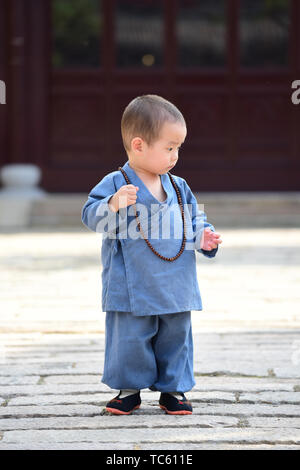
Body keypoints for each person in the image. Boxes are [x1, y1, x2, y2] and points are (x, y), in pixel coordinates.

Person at [81, 94, 222, 415]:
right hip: (131, 284)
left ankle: (174, 390)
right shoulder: (117, 182)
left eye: (178, 148)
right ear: (140, 145)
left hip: (175, 282)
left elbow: (193, 218)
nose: (175, 155)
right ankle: (128, 389)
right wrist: (113, 204)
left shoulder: (179, 185)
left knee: (176, 338)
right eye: (169, 147)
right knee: (130, 340)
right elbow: (90, 216)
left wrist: (204, 236)